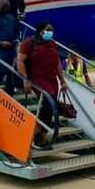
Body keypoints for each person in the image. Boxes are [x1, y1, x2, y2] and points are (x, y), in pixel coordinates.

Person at [17, 20, 67, 149]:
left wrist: (62, 81)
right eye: (48, 29)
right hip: (37, 78)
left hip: (51, 80)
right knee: (47, 103)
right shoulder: (29, 43)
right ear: (40, 30)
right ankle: (38, 135)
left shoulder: (52, 43)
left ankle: (41, 135)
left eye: (51, 29)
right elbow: (20, 61)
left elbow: (57, 64)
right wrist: (25, 79)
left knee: (51, 106)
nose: (50, 32)